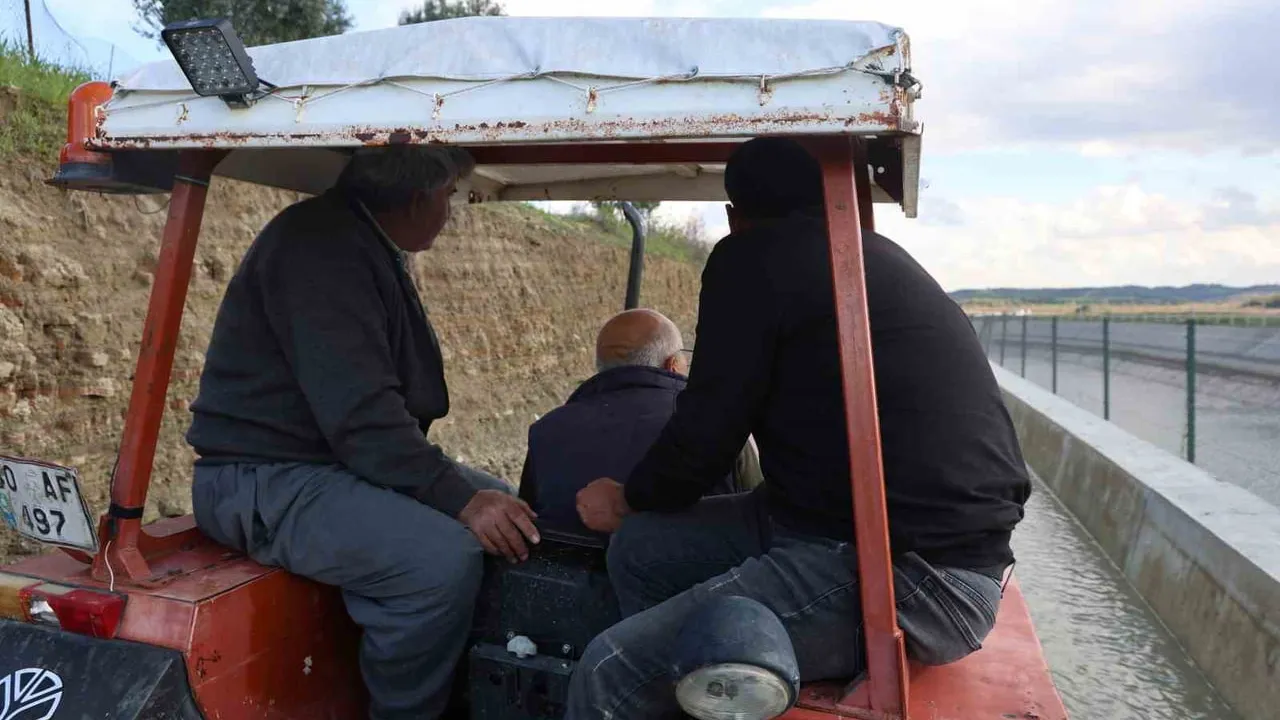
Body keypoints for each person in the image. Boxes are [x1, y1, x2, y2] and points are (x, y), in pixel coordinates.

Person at [567, 137, 1031, 718]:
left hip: (917, 578)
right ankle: (686, 695)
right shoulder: (867, 255)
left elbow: (708, 429)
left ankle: (652, 680)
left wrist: (628, 497)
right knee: (642, 548)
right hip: (844, 528)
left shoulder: (752, 257)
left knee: (610, 668)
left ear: (735, 216)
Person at [186, 145, 540, 720]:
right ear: (418, 196)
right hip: (262, 477)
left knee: (503, 507)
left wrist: (472, 497)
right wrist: (460, 500)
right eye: (449, 195)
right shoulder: (321, 249)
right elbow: (362, 417)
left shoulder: (357, 239)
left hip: (321, 462)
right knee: (438, 560)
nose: (450, 211)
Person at [517, 308, 762, 535]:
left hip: (568, 566)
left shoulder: (545, 430)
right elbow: (760, 513)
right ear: (672, 365)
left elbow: (530, 517)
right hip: (693, 567)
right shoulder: (712, 423)